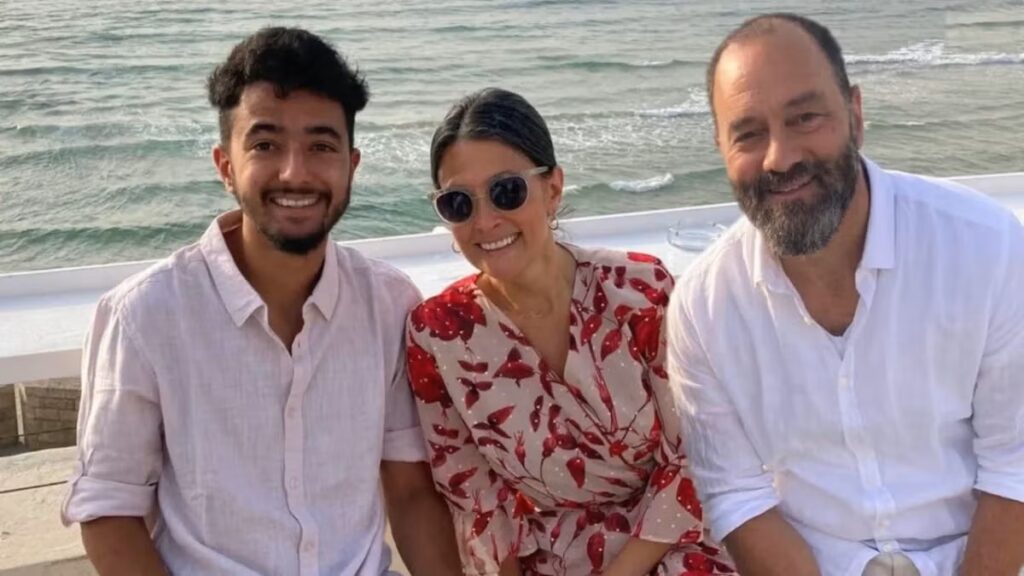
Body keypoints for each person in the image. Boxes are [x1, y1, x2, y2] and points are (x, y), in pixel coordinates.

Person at [61, 27, 460, 575]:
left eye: (321, 145)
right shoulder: (144, 317)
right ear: (226, 165)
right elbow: (109, 508)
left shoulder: (388, 304)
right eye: (265, 144)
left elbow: (410, 490)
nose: (295, 172)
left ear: (351, 165)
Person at [666, 12, 1024, 576]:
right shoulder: (704, 307)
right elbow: (737, 495)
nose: (780, 157)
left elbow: (1015, 466)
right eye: (749, 133)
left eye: (805, 117)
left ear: (855, 115)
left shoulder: (986, 248)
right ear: (720, 146)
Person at [405, 87, 735, 576]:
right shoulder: (438, 334)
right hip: (553, 557)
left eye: (506, 191)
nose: (486, 220)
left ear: (553, 189)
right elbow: (475, 495)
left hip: (674, 540)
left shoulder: (640, 290)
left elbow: (693, 455)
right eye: (459, 203)